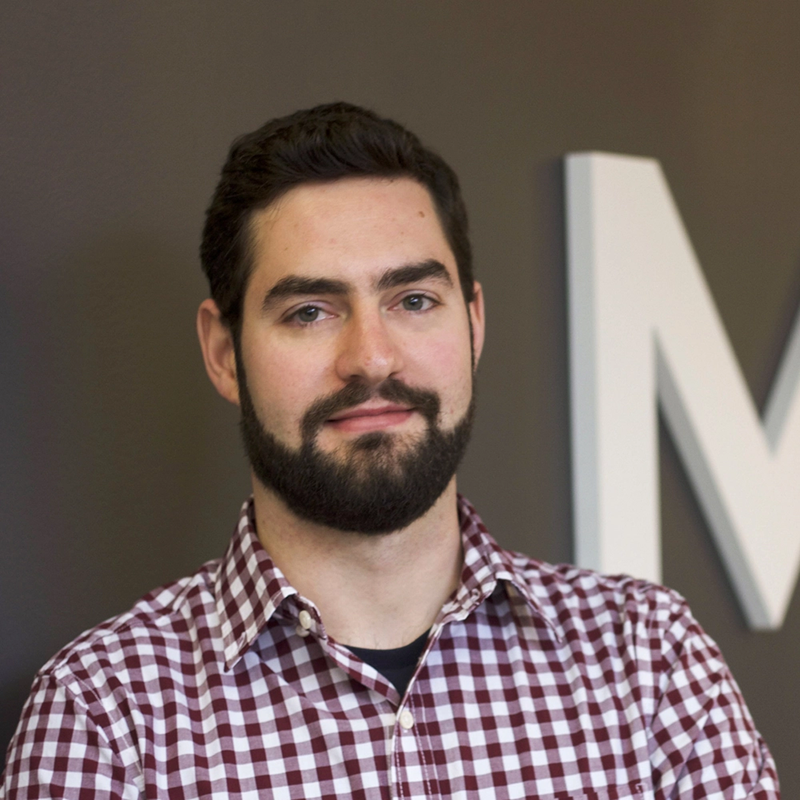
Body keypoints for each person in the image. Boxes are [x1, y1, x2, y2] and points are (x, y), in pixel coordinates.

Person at [1, 103, 779, 799]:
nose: (372, 358)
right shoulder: (107, 717)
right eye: (309, 311)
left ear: (472, 324)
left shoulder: (648, 663)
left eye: (413, 301)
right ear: (223, 352)